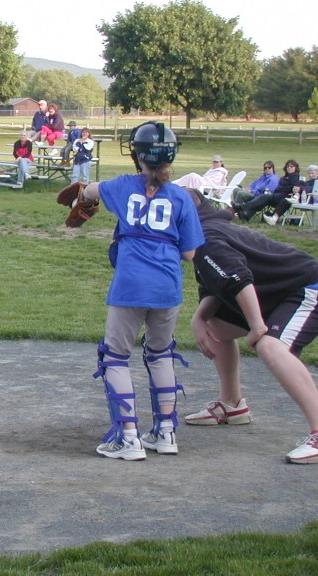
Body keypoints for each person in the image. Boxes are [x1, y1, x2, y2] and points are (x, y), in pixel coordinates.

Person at [82, 121, 204, 461]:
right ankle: (165, 432)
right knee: (161, 352)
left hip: (131, 284)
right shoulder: (181, 197)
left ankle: (129, 437)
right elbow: (190, 253)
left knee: (116, 356)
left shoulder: (123, 186)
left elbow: (90, 192)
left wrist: (82, 195)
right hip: (167, 286)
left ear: (136, 154)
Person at [184, 188, 318, 464]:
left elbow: (238, 279)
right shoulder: (208, 228)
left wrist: (257, 327)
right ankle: (233, 405)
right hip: (281, 293)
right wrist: (199, 318)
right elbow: (218, 288)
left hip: (307, 288)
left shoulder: (207, 238)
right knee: (217, 325)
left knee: (270, 345)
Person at [235, 159, 301, 222]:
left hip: (283, 198)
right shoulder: (283, 177)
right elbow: (278, 188)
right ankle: (246, 216)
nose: (289, 168)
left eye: (291, 166)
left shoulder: (294, 176)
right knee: (262, 199)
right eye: (288, 166)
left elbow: (291, 188)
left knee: (263, 197)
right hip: (276, 195)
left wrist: (282, 189)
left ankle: (242, 207)